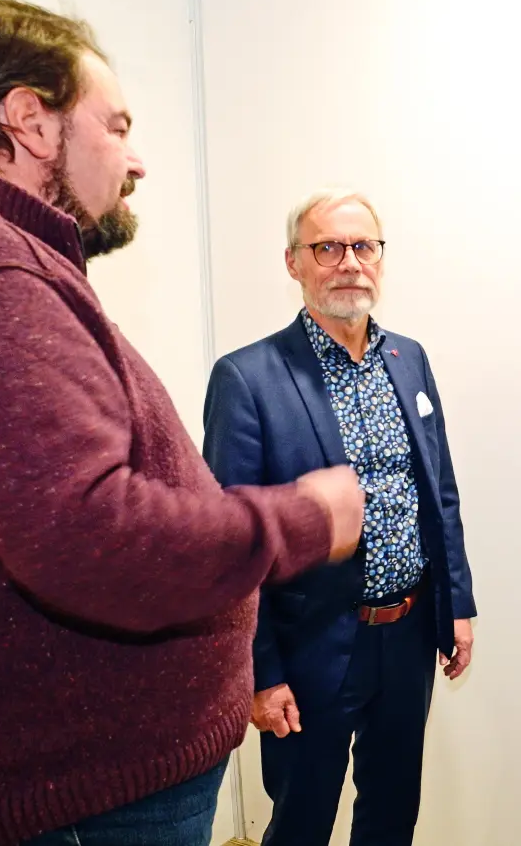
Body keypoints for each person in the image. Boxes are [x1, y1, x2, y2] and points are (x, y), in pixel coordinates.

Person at [0, 1, 366, 846]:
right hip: (86, 802)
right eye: (115, 126)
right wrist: (303, 518)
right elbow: (92, 539)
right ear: (30, 122)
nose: (137, 158)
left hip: (95, 786)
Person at [203, 189, 477, 846]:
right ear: (294, 262)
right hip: (310, 648)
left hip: (408, 637)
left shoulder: (408, 358)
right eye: (327, 247)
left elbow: (439, 490)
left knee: (391, 813)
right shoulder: (248, 378)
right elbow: (230, 542)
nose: (348, 262)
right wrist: (259, 674)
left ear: (380, 259)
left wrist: (456, 604)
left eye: (363, 246)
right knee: (302, 821)